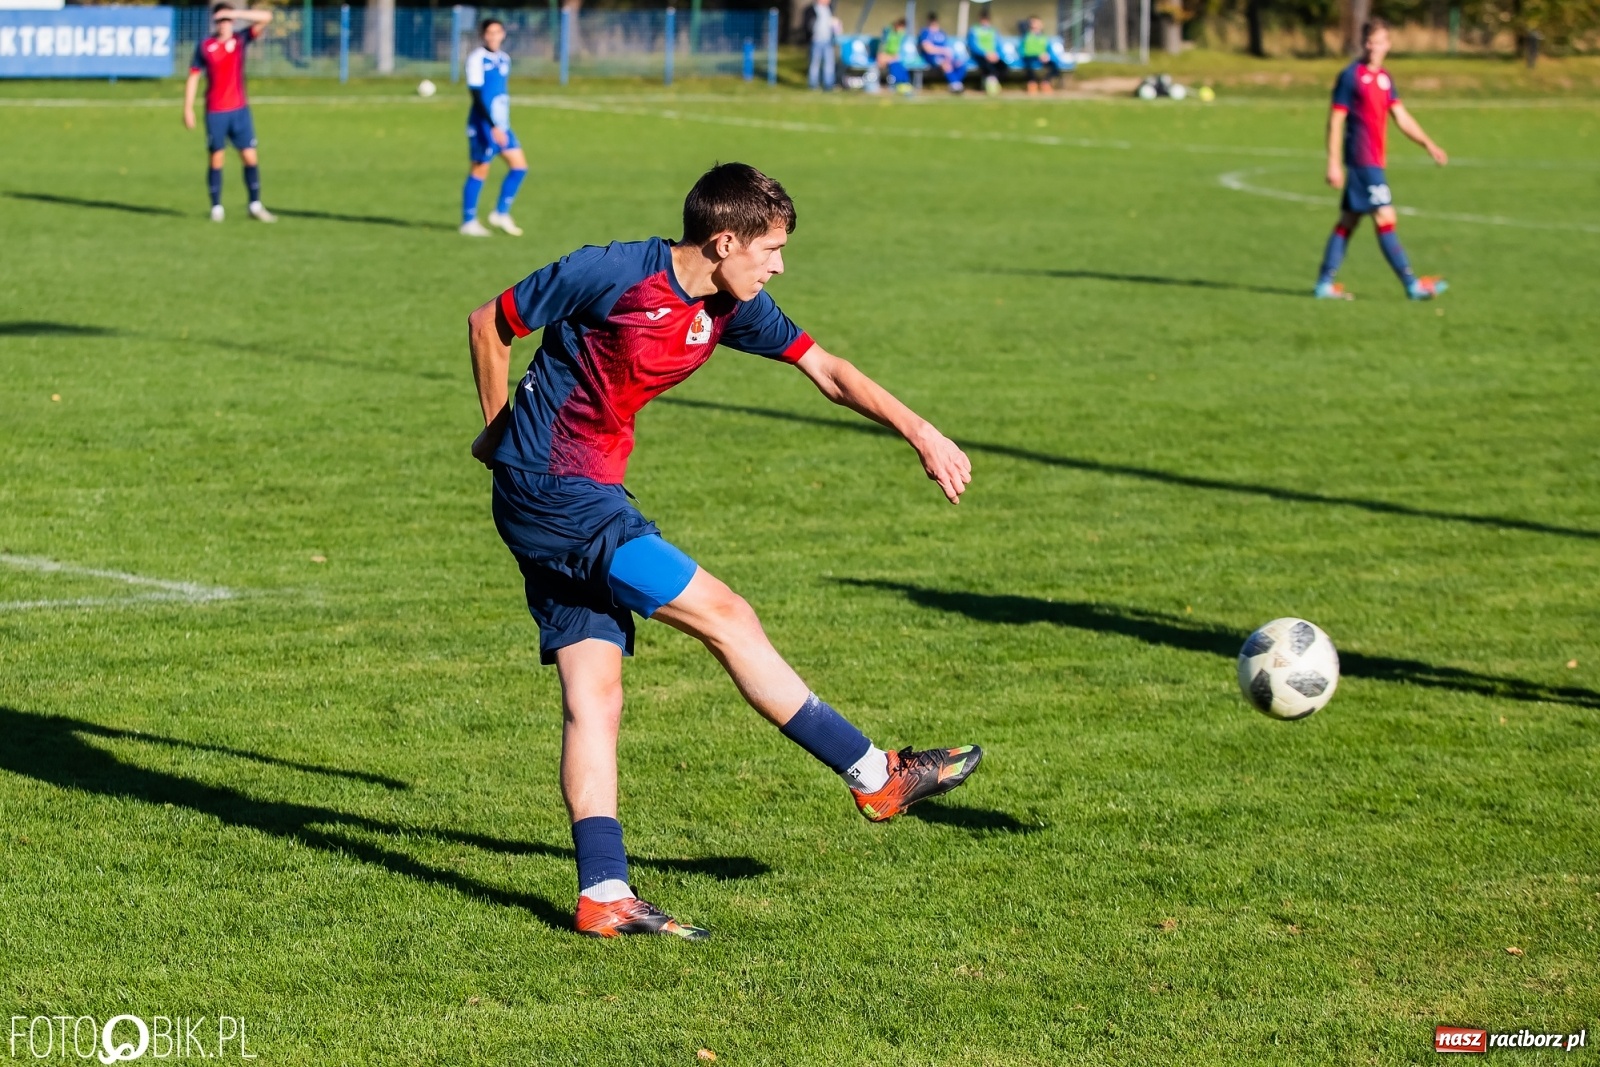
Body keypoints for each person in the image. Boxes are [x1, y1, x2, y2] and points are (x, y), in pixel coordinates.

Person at [465, 163, 982, 939]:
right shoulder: (609, 272)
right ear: (725, 239)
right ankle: (876, 774)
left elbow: (827, 369)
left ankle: (603, 892)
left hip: (575, 495)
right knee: (728, 616)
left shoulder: (728, 306)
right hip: (559, 497)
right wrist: (499, 426)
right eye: (770, 249)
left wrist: (921, 430)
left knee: (595, 696)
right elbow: (490, 321)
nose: (778, 265)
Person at [1314, 17, 1448, 300]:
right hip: (1363, 161)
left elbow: (1401, 116)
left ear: (1388, 45)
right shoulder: (1351, 76)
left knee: (1348, 221)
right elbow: (1336, 120)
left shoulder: (1385, 79)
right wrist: (1333, 162)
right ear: (1363, 43)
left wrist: (1428, 143)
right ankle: (1411, 285)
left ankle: (1324, 284)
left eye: (1379, 42)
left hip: (1374, 160)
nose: (1373, 48)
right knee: (1385, 216)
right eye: (1369, 42)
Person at [183, 4, 275, 223]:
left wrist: (237, 14)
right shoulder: (205, 46)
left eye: (226, 20)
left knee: (250, 156)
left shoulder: (240, 40)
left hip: (240, 110)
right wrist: (187, 107)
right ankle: (216, 207)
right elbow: (194, 76)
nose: (223, 25)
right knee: (216, 158)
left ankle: (255, 204)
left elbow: (266, 17)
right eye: (219, 21)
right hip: (215, 111)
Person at [461, 18, 529, 238]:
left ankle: (501, 213)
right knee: (480, 170)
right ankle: (468, 221)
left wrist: (501, 124)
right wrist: (491, 126)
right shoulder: (476, 59)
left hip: (502, 125)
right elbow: (476, 94)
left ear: (503, 34)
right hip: (483, 124)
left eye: (497, 32)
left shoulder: (504, 59)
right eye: (489, 32)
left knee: (519, 166)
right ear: (483, 35)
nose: (493, 36)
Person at [918, 13, 966, 93]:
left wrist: (948, 54)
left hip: (944, 56)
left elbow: (947, 47)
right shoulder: (925, 33)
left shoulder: (941, 33)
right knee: (946, 65)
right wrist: (942, 51)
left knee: (960, 63)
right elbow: (928, 49)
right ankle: (955, 84)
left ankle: (956, 84)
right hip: (932, 57)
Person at [805, 0, 842, 91]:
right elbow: (807, 25)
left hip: (828, 41)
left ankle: (828, 85)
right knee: (815, 63)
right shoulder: (811, 9)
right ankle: (813, 85)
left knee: (829, 64)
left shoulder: (829, 9)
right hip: (816, 40)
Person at [967, 10, 1005, 95]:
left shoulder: (993, 30)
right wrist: (985, 53)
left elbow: (999, 44)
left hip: (993, 55)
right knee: (987, 65)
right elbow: (973, 45)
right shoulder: (974, 30)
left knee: (1003, 66)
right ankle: (990, 84)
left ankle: (991, 81)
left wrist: (996, 54)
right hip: (980, 56)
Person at [1020, 16, 1057, 95]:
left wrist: (1047, 56)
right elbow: (1024, 50)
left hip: (1042, 58)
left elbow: (1049, 50)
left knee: (1054, 66)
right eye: (1034, 23)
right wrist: (1038, 54)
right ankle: (1032, 83)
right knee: (1029, 65)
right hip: (1030, 57)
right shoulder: (1026, 36)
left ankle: (1045, 82)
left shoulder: (1044, 37)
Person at [878, 17, 913, 94]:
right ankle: (898, 84)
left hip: (894, 55)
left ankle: (904, 83)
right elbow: (882, 45)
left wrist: (895, 56)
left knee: (899, 65)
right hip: (885, 54)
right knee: (894, 64)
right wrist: (881, 56)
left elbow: (899, 48)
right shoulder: (888, 31)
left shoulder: (901, 34)